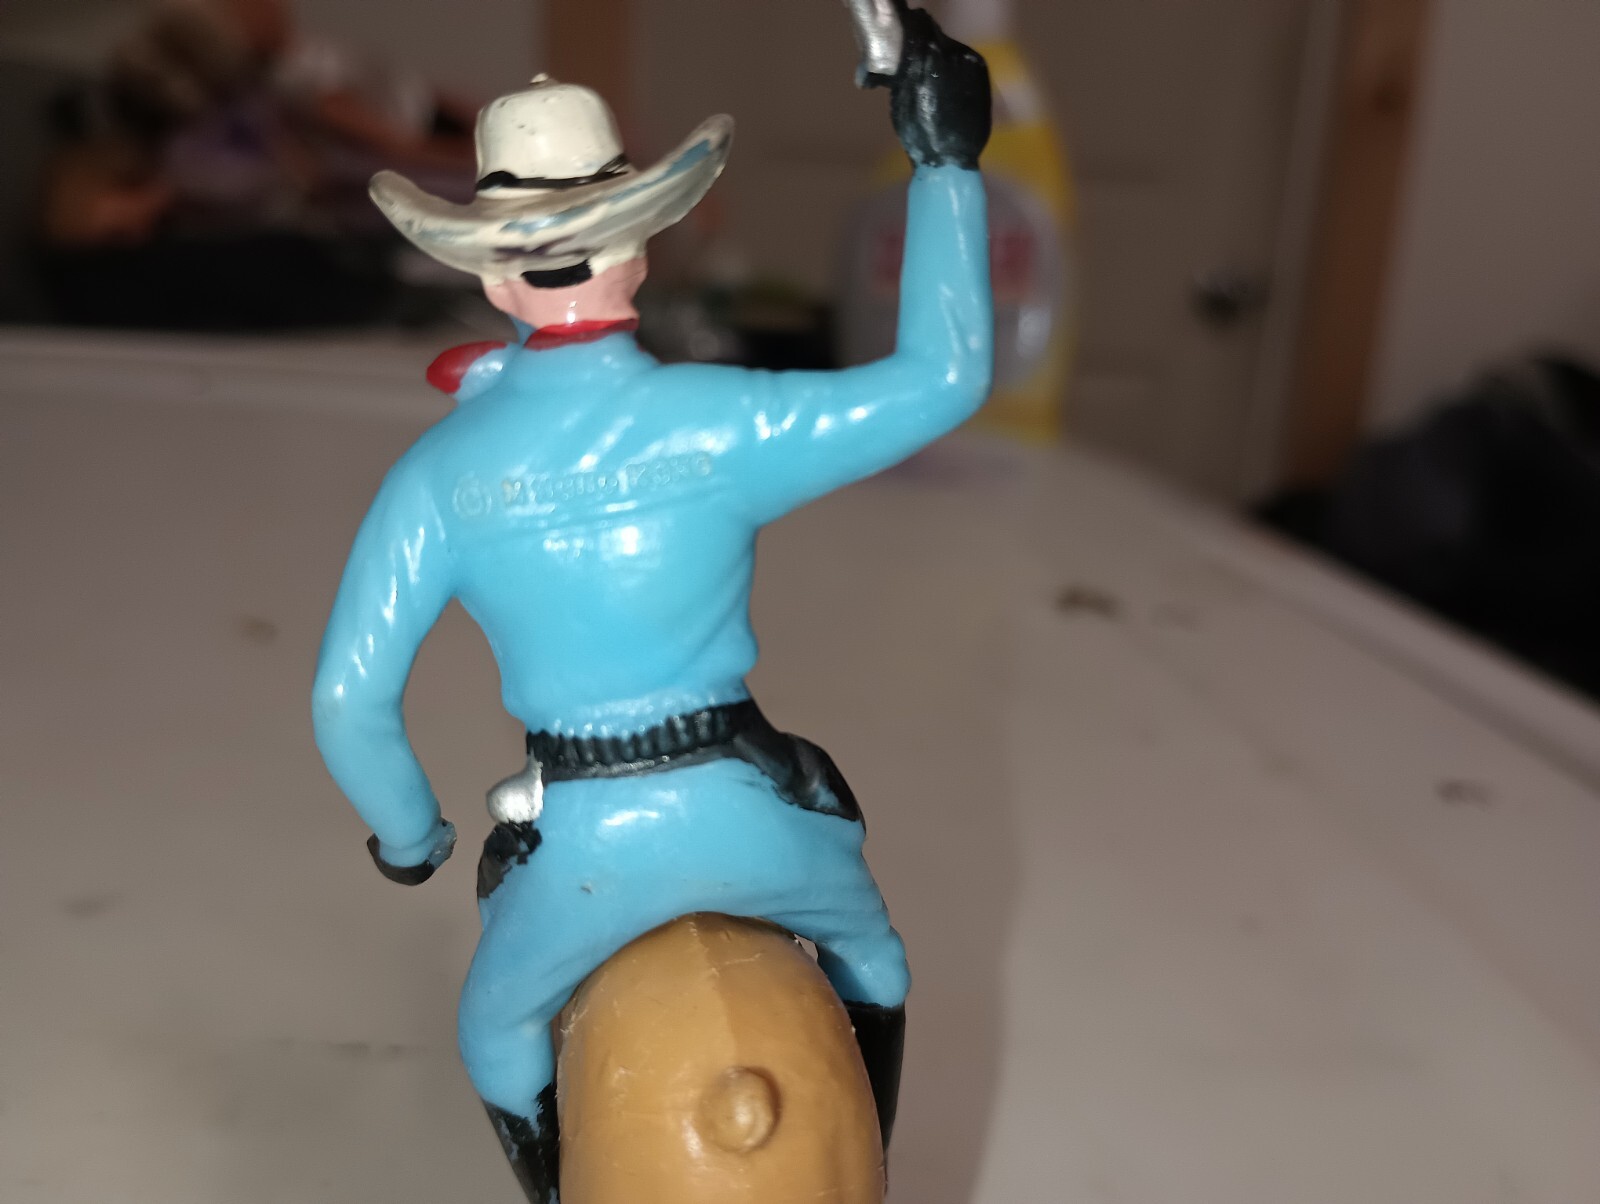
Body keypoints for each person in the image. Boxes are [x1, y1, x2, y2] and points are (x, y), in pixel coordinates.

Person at [311, 8, 992, 1201]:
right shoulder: (723, 420)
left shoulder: (437, 478)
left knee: (496, 1036)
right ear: (637, 251)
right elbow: (944, 377)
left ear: (492, 275)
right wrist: (944, 162)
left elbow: (349, 701)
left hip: (583, 845)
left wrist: (412, 842)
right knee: (876, 961)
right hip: (752, 815)